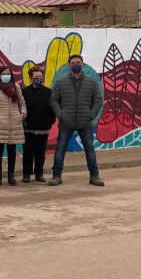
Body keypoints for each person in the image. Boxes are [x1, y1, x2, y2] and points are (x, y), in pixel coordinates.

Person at [49, 55, 105, 187]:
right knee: (60, 149)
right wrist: (60, 114)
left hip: (85, 122)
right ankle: (56, 176)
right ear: (69, 66)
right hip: (66, 122)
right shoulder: (60, 82)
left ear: (83, 64)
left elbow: (98, 100)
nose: (75, 65)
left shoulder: (91, 83)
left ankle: (94, 176)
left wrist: (91, 115)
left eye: (78, 62)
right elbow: (54, 100)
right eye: (73, 63)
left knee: (90, 149)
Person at [0, 66, 27, 187]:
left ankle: (11, 176)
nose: (6, 76)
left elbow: (22, 103)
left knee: (12, 151)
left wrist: (22, 114)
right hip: (0, 124)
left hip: (14, 123)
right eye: (4, 74)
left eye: (8, 73)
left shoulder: (16, 87)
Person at [21, 68, 55, 183]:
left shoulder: (48, 92)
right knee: (28, 153)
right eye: (35, 77)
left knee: (41, 153)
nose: (38, 79)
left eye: (40, 76)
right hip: (28, 129)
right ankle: (26, 174)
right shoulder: (24, 92)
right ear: (30, 78)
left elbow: (52, 108)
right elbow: (21, 108)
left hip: (43, 128)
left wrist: (50, 121)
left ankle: (39, 174)